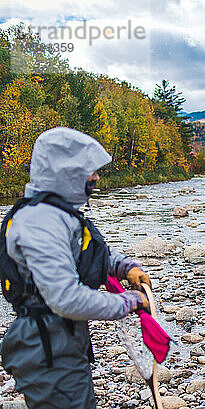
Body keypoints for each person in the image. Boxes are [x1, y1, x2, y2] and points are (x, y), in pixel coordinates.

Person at [0, 127, 151, 409]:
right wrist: (130, 302)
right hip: (45, 347)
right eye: (88, 170)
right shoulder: (40, 221)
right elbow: (66, 299)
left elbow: (86, 252)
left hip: (61, 340)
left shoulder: (59, 213)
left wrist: (123, 267)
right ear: (64, 171)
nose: (96, 176)